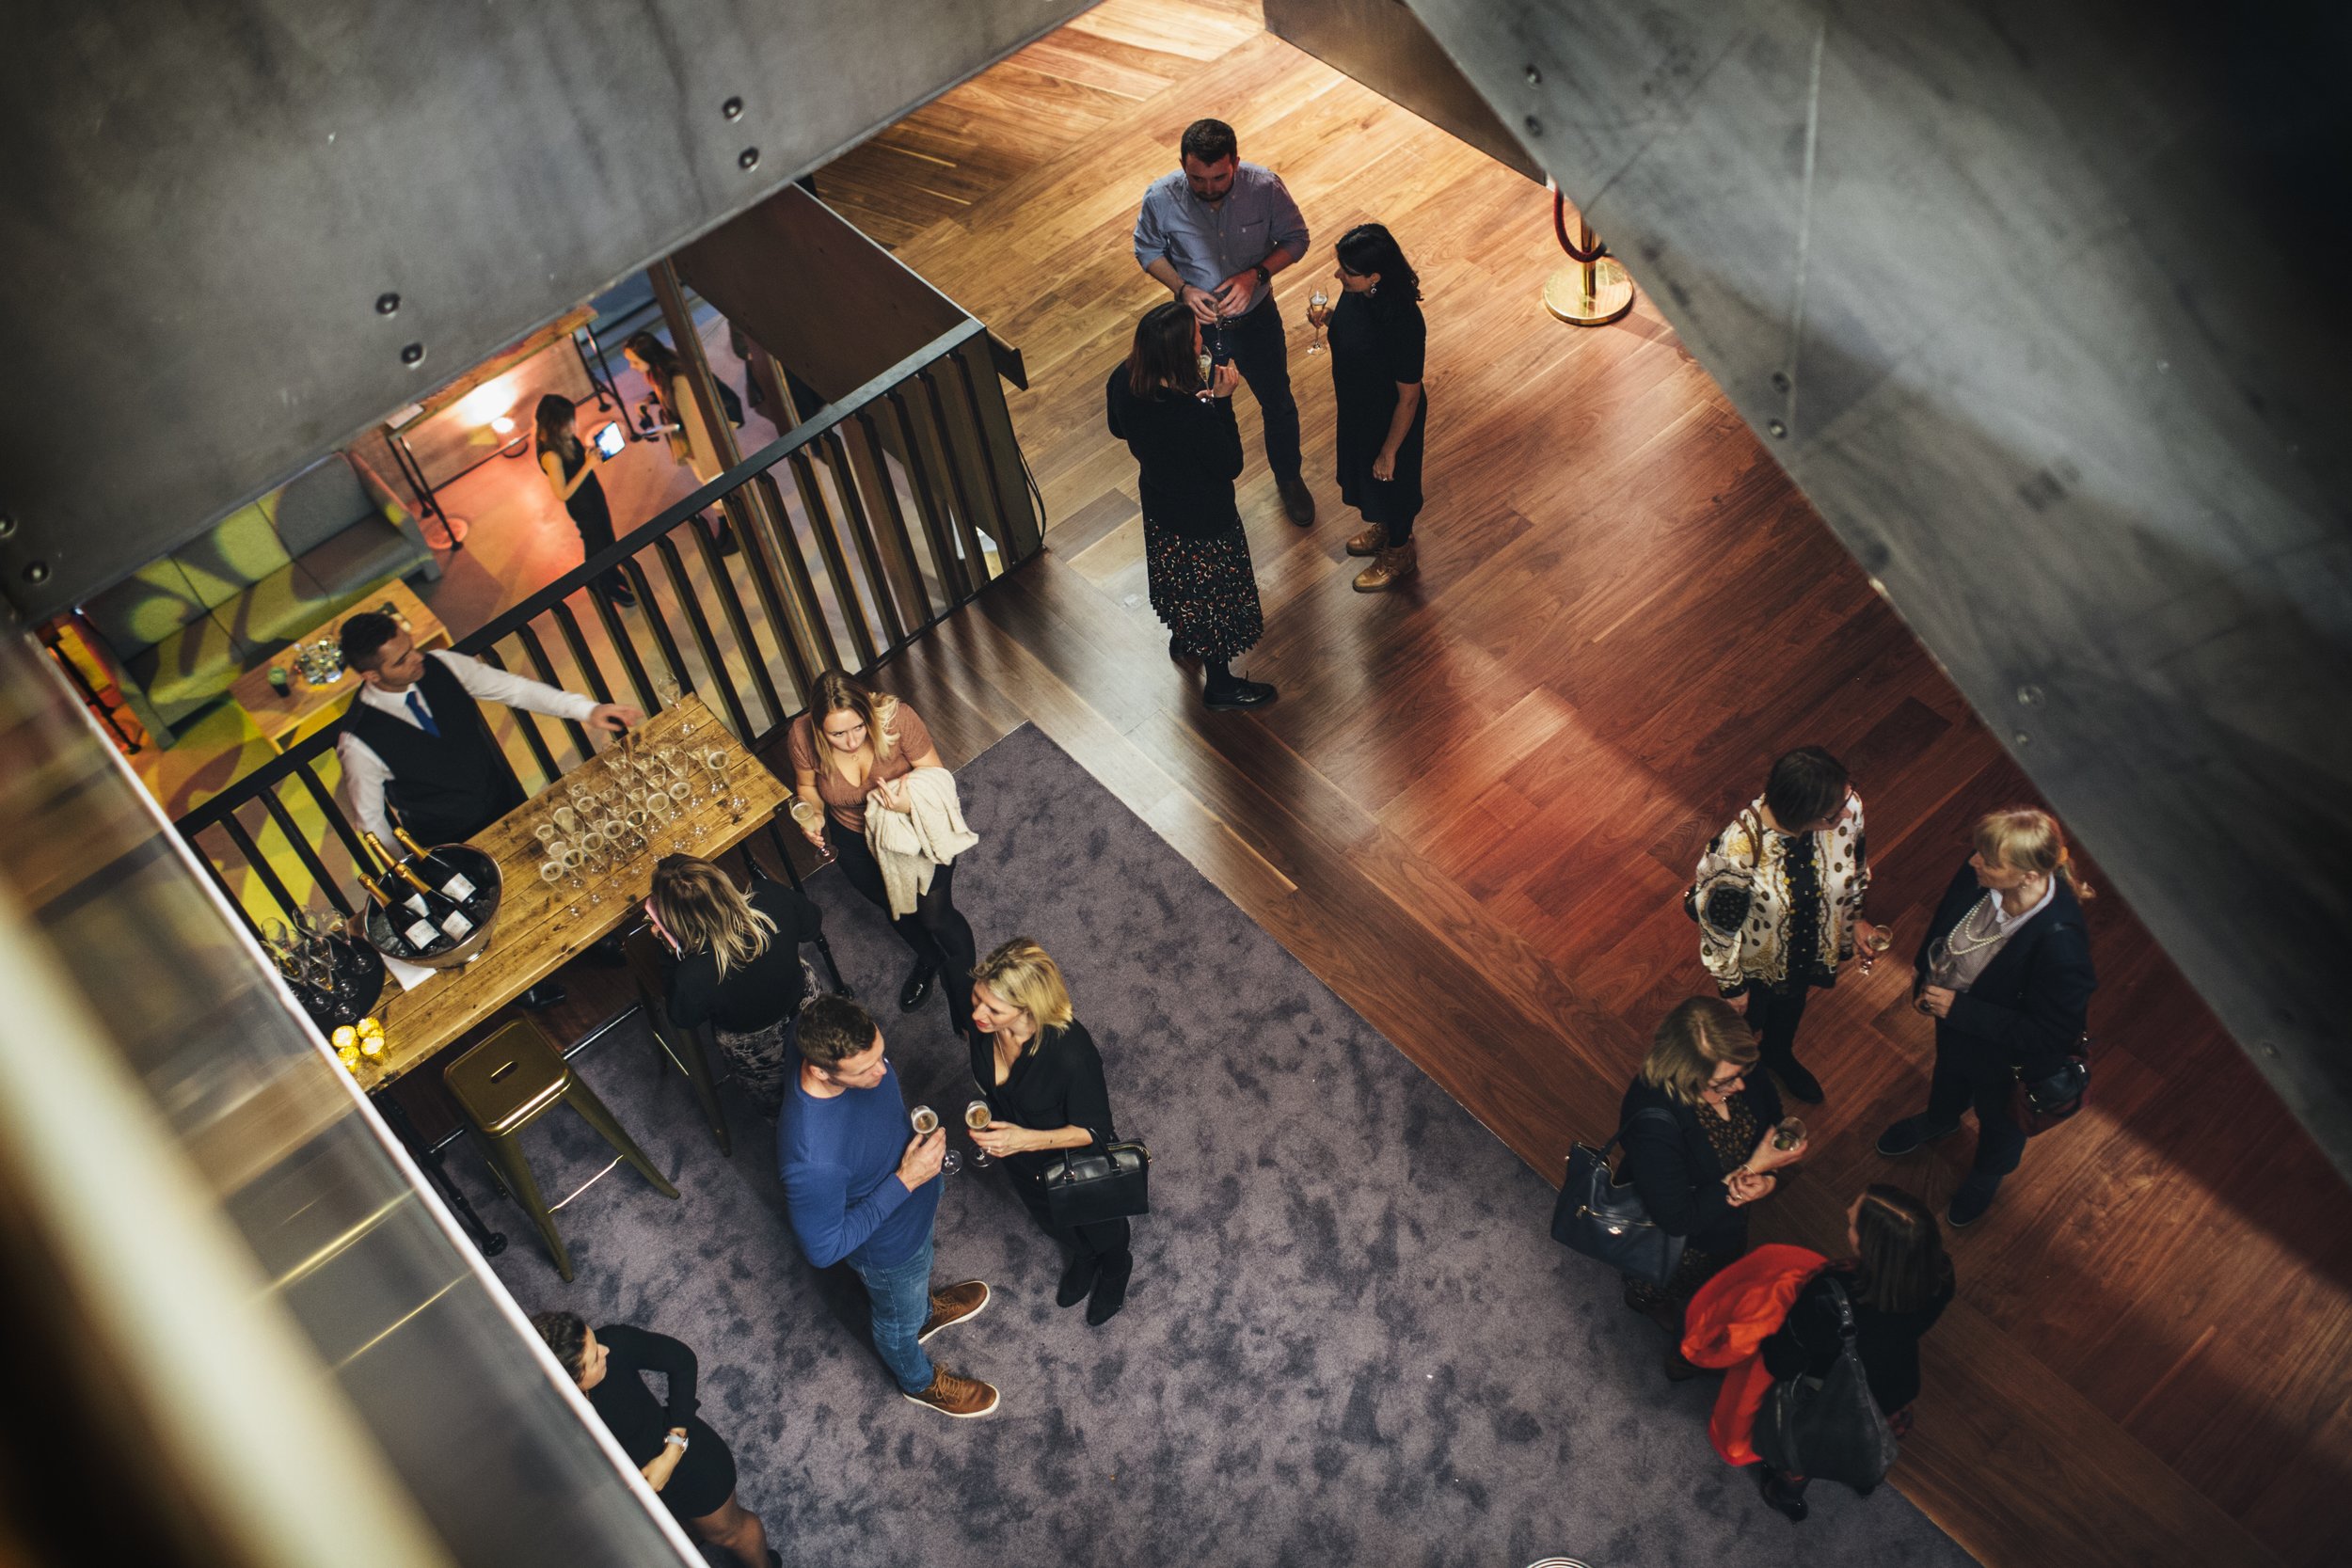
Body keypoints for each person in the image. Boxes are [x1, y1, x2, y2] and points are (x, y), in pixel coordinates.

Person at [336, 610, 640, 1007]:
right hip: (447, 841)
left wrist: (587, 710)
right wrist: (415, 875)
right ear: (371, 676)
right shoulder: (358, 741)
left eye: (411, 648)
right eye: (401, 660)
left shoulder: (442, 665)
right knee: (487, 914)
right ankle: (526, 983)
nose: (417, 660)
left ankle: (590, 942)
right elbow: (370, 821)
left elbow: (514, 689)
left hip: (502, 798)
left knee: (552, 874)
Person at [778, 992, 997, 1418]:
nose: (882, 1071)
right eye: (866, 1069)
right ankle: (918, 1381)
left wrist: (918, 1175)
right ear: (821, 1070)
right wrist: (906, 1179)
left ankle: (925, 1311)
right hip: (888, 1248)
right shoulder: (811, 1160)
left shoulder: (817, 1027)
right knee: (897, 1321)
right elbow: (822, 1249)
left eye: (882, 1055)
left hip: (917, 1196)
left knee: (917, 1283)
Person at [1877, 807, 2098, 1227]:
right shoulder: (1981, 868)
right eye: (1978, 852)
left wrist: (1962, 1010)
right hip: (1956, 1025)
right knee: (1948, 1075)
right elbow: (1947, 916)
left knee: (2000, 1121)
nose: (1974, 862)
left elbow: (2052, 1033)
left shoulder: (2061, 947)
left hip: (2009, 1061)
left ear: (2028, 876)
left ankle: (1986, 1174)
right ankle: (1941, 1120)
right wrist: (1927, 973)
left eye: (1988, 861)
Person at [1132, 118, 1315, 526]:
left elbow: (1297, 239)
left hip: (1256, 320)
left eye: (1219, 177)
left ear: (1236, 160)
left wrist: (1257, 275)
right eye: (1197, 178)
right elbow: (1147, 250)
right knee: (1200, 408)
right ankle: (1208, 488)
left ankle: (1288, 479)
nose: (1209, 188)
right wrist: (1181, 289)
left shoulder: (1265, 188)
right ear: (1183, 164)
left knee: (1278, 403)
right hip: (1196, 330)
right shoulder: (1160, 198)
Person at [1620, 995, 1806, 1376]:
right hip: (1673, 1237)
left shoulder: (1739, 1069)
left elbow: (1773, 1118)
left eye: (1744, 1072)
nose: (1740, 1086)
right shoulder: (1653, 1117)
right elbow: (1676, 1219)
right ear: (1685, 1073)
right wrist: (1754, 1167)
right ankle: (1646, 1301)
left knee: (1721, 1273)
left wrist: (1768, 1181)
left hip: (1725, 1221)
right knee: (1663, 1280)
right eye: (1724, 1082)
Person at [1688, 747, 1884, 1105]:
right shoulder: (1740, 848)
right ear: (1800, 813)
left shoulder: (1848, 809)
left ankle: (1778, 1054)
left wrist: (1855, 918)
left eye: (1847, 795)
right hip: (1757, 961)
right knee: (1744, 1025)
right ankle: (1731, 1079)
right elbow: (1718, 925)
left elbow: (1855, 866)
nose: (1846, 813)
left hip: (1809, 945)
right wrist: (1732, 987)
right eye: (1831, 814)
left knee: (1792, 1003)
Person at [1105, 301, 1277, 711]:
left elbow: (1117, 428)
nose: (1204, 339)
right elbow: (1229, 465)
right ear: (1180, 353)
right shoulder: (1192, 415)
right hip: (1205, 514)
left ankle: (1184, 637)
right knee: (1214, 595)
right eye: (1197, 337)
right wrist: (1221, 402)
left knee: (1181, 579)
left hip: (1160, 504)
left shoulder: (1124, 377)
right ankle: (1220, 686)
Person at [787, 670, 980, 1026]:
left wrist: (903, 803)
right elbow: (807, 787)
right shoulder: (801, 736)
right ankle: (930, 959)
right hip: (854, 838)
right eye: (837, 734)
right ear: (817, 728)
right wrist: (812, 817)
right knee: (896, 909)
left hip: (913, 827)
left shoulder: (898, 718)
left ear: (868, 712)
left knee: (935, 915)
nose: (850, 742)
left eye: (858, 727)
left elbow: (937, 776)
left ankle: (971, 990)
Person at [1751, 1185, 1956, 1521]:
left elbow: (1782, 1361)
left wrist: (1765, 1340)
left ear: (1871, 1249)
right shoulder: (1940, 1276)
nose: (1847, 1213)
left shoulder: (1832, 1294)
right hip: (1893, 1388)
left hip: (1830, 1392)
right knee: (1867, 1440)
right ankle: (1864, 1477)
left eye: (1853, 1224)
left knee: (1805, 1448)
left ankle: (1786, 1494)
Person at [965, 939, 1134, 1326]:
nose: (978, 1012)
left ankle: (1115, 1267)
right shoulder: (980, 1024)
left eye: (993, 1008)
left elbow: (1095, 1130)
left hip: (1076, 1158)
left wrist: (1024, 1138)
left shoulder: (1070, 1052)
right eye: (977, 998)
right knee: (1052, 1220)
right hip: (1020, 1158)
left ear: (1028, 1008)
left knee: (1102, 1226)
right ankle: (1084, 1256)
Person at [529, 1312, 778, 1568]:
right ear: (569, 1383)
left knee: (728, 1533)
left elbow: (683, 1361)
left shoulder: (615, 1343)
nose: (604, 1351)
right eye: (594, 1359)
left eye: (595, 1340)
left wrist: (671, 1453)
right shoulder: (550, 1409)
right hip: (640, 1492)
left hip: (687, 1464)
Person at [648, 854, 825, 1116]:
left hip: (755, 1047)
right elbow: (811, 924)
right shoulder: (769, 895)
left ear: (674, 920)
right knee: (828, 1061)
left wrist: (668, 952)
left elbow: (682, 1017)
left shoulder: (691, 975)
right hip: (808, 1003)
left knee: (780, 1104)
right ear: (722, 879)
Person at [1304, 223, 1427, 592]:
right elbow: (1356, 332)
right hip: (1357, 406)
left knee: (1394, 482)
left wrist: (1390, 450)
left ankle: (1400, 549)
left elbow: (1409, 396)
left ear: (1375, 275)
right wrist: (1327, 319)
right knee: (1370, 480)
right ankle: (1388, 529)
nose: (1338, 274)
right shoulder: (1358, 293)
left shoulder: (1403, 322)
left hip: (1390, 417)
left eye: (1347, 270)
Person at [623, 331, 737, 555]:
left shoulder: (678, 379)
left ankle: (735, 532)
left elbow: (692, 422)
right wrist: (649, 400)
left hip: (703, 446)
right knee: (714, 489)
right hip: (695, 443)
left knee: (721, 488)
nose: (632, 367)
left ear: (649, 357)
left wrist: (663, 428)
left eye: (635, 362)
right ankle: (726, 529)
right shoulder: (663, 370)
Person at [532, 393, 635, 609]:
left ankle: (612, 573)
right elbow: (562, 493)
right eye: (568, 422)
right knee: (595, 543)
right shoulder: (550, 455)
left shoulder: (562, 437)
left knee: (607, 537)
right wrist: (588, 465)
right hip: (582, 504)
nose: (573, 425)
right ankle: (603, 584)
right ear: (554, 424)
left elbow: (576, 462)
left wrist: (590, 456)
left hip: (592, 493)